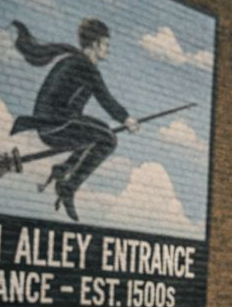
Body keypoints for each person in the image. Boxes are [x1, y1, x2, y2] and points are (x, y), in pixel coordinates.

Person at [10, 18, 139, 222]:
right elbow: (105, 98)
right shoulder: (84, 66)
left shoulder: (76, 61)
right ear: (95, 44)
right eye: (106, 44)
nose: (108, 50)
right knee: (108, 139)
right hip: (57, 125)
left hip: (55, 123)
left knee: (102, 131)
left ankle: (63, 169)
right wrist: (126, 119)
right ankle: (68, 187)